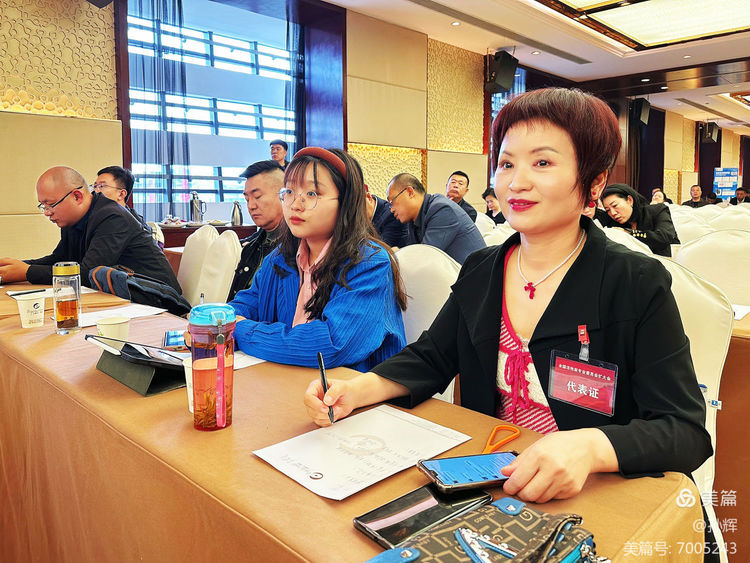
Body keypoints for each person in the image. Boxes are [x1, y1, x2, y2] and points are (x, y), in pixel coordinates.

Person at [304, 88, 710, 506]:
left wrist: (590, 448)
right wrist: (357, 390)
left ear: (594, 181)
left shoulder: (635, 281)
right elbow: (431, 357)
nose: (516, 182)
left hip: (593, 496)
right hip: (494, 482)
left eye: (543, 163)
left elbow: (684, 430)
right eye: (506, 163)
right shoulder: (483, 269)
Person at [228, 147, 407, 372]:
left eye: (312, 193)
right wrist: (215, 321)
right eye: (289, 192)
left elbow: (329, 346)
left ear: (346, 201)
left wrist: (241, 329)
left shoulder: (370, 264)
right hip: (286, 380)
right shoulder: (279, 258)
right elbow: (245, 305)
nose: (295, 204)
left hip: (347, 390)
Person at [0, 166, 181, 299]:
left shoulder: (112, 217)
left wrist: (27, 272)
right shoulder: (73, 220)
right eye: (43, 206)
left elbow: (88, 273)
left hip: (156, 297)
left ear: (77, 196)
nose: (47, 212)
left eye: (51, 204)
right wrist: (16, 267)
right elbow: (61, 259)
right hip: (122, 295)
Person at [387, 173, 485, 264]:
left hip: (475, 274)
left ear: (410, 192)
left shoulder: (442, 209)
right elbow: (414, 251)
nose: (391, 210)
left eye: (392, 202)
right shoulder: (413, 217)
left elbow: (424, 258)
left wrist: (399, 253)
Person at [227, 160, 286, 301]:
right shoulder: (250, 245)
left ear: (284, 194)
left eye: (257, 196)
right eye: (247, 199)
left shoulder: (297, 248)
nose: (251, 206)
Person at [601, 183, 680, 256]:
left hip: (667, 261)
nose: (613, 213)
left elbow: (664, 237)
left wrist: (628, 233)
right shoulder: (614, 223)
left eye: (615, 205)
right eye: (607, 210)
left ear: (630, 200)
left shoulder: (657, 210)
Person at [93, 166, 151, 234]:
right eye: (95, 186)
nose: (95, 191)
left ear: (121, 194)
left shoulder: (121, 221)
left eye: (101, 186)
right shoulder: (102, 215)